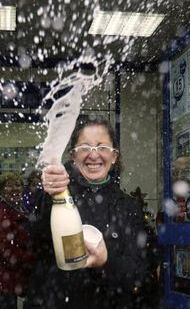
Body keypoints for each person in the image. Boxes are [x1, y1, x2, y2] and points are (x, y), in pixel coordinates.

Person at [25, 119, 147, 309]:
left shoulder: (128, 206)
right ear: (73, 155)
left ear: (114, 156)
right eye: (84, 147)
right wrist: (48, 192)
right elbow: (34, 238)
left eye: (102, 147)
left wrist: (106, 261)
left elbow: (136, 274)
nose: (93, 154)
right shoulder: (57, 192)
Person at [0, 173, 35, 308]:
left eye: (18, 185)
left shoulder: (19, 208)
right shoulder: (3, 213)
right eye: (9, 185)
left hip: (12, 278)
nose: (15, 188)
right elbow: (5, 248)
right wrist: (32, 259)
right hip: (6, 278)